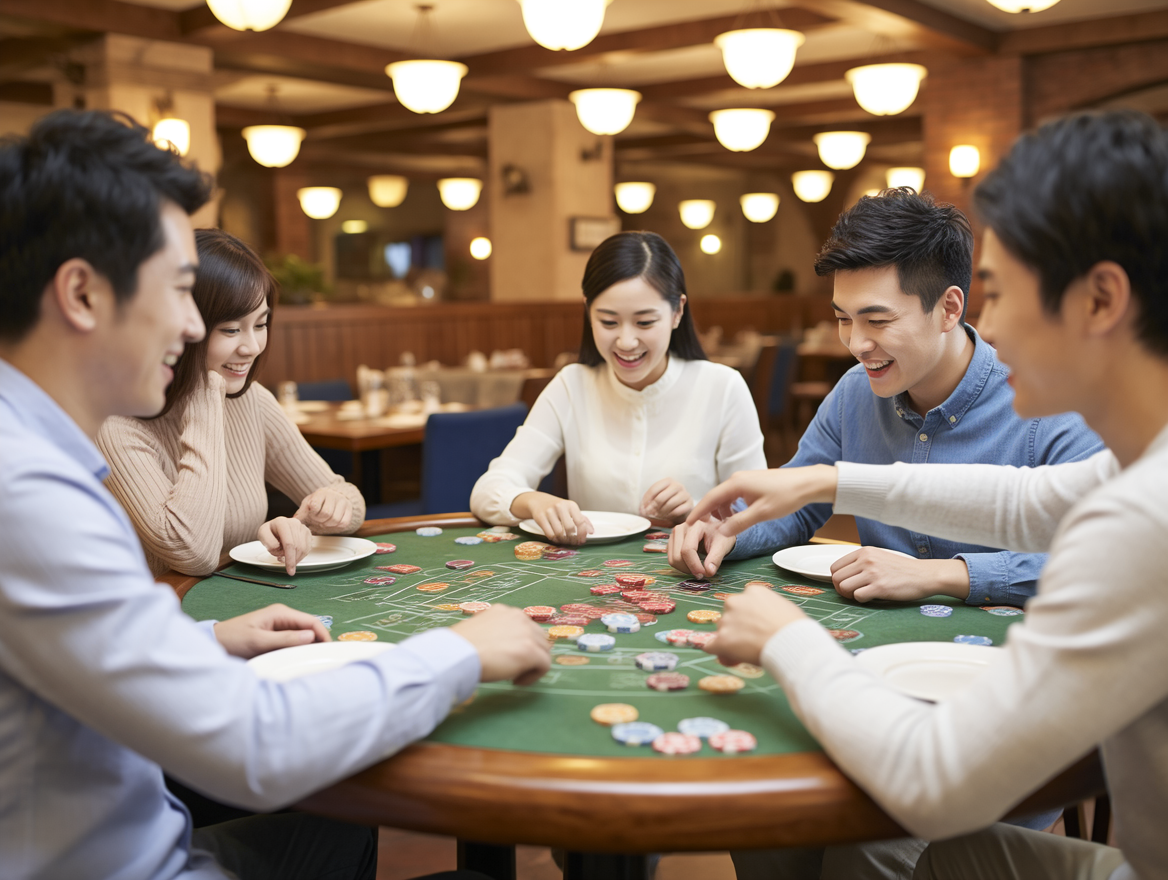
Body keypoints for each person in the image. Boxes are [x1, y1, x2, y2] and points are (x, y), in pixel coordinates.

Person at [0, 109, 550, 880]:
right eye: (180, 290)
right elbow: (254, 743)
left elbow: (75, 647)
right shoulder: (28, 494)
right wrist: (459, 650)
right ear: (83, 294)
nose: (194, 326)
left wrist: (208, 639)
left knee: (338, 816)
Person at [689, 110, 1168, 880]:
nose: (991, 321)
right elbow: (1026, 501)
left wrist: (786, 637)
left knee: (875, 839)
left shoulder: (1143, 521)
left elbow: (933, 783)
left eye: (1004, 293)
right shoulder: (1141, 470)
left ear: (1101, 300)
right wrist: (825, 479)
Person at [670, 189, 1103, 609]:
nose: (856, 343)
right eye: (843, 319)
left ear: (950, 309)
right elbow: (797, 506)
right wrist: (725, 529)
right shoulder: (854, 391)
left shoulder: (1051, 403)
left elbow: (1098, 559)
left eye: (878, 320)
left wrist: (937, 574)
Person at [97, 228, 364, 578]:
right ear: (181, 326)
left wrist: (329, 511)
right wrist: (205, 393)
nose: (252, 347)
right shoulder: (117, 426)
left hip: (236, 607)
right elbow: (193, 554)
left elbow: (347, 497)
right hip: (158, 620)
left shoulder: (252, 401)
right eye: (231, 329)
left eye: (261, 324)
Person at [470, 231, 766, 544]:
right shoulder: (571, 386)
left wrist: (694, 511)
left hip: (690, 574)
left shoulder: (722, 387)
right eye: (608, 322)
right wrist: (534, 501)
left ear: (677, 311)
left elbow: (759, 510)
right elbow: (488, 489)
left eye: (645, 323)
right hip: (589, 578)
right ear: (588, 311)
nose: (626, 342)